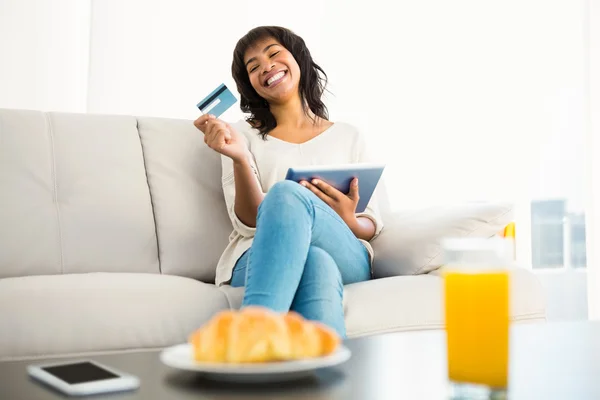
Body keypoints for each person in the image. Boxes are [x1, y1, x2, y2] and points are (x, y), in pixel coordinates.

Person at [193, 26, 383, 338]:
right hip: (259, 251)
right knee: (314, 261)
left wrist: (349, 218)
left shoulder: (349, 135)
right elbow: (250, 222)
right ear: (250, 85)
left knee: (286, 194)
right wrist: (240, 157)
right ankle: (328, 379)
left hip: (345, 251)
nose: (266, 66)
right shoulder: (240, 135)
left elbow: (372, 222)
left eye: (273, 53)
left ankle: (249, 342)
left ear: (298, 58)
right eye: (253, 67)